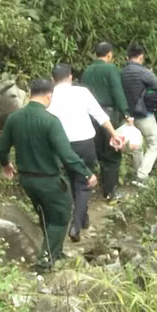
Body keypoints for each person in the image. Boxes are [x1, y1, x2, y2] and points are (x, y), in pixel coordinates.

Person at [0, 79, 97, 272]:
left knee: (45, 216)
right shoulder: (50, 121)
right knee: (60, 218)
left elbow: (1, 149)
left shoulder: (14, 118)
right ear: (48, 95)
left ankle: (55, 251)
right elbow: (67, 155)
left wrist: (5, 164)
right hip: (49, 179)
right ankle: (45, 262)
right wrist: (86, 173)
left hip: (26, 180)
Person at [48, 63, 121, 242]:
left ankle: (83, 217)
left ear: (52, 79)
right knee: (83, 182)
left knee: (72, 179)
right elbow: (100, 116)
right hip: (85, 144)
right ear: (71, 77)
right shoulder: (82, 92)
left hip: (62, 145)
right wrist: (114, 134)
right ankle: (77, 225)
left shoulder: (49, 96)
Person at [81, 42, 132, 203]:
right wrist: (126, 113)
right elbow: (117, 91)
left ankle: (85, 191)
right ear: (109, 55)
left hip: (89, 116)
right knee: (112, 153)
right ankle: (110, 193)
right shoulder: (111, 69)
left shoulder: (87, 70)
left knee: (94, 152)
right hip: (107, 116)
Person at [120, 43, 157, 184]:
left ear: (127, 57)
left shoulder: (122, 73)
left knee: (136, 145)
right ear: (141, 57)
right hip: (144, 114)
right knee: (154, 144)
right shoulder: (143, 72)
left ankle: (138, 172)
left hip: (128, 116)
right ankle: (142, 175)